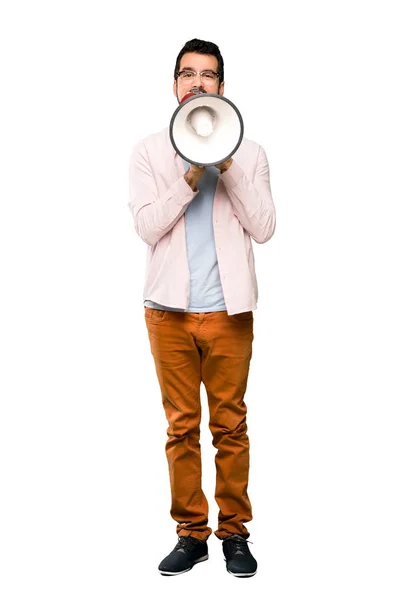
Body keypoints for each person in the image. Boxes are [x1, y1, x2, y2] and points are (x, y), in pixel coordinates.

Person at [128, 38, 276, 577]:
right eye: (187, 74)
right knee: (181, 427)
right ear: (174, 86)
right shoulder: (149, 151)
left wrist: (226, 164)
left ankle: (234, 534)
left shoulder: (252, 153)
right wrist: (192, 174)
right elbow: (146, 225)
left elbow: (264, 228)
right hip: (167, 312)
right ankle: (191, 534)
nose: (197, 83)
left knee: (231, 427)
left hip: (230, 314)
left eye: (207, 75)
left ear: (220, 87)